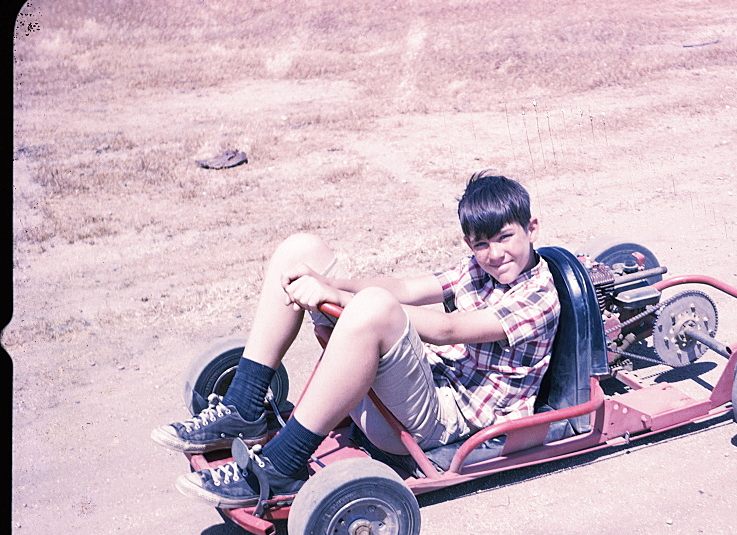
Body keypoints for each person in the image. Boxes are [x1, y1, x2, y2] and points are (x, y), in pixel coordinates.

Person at [152, 171, 560, 509]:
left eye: (505, 238)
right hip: (424, 393)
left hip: (446, 425)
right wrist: (328, 282)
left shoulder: (539, 297)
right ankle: (245, 406)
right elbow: (405, 287)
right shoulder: (478, 267)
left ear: (532, 228)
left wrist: (342, 300)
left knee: (374, 308)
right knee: (300, 251)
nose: (494, 254)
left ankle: (280, 466)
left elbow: (448, 330)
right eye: (481, 244)